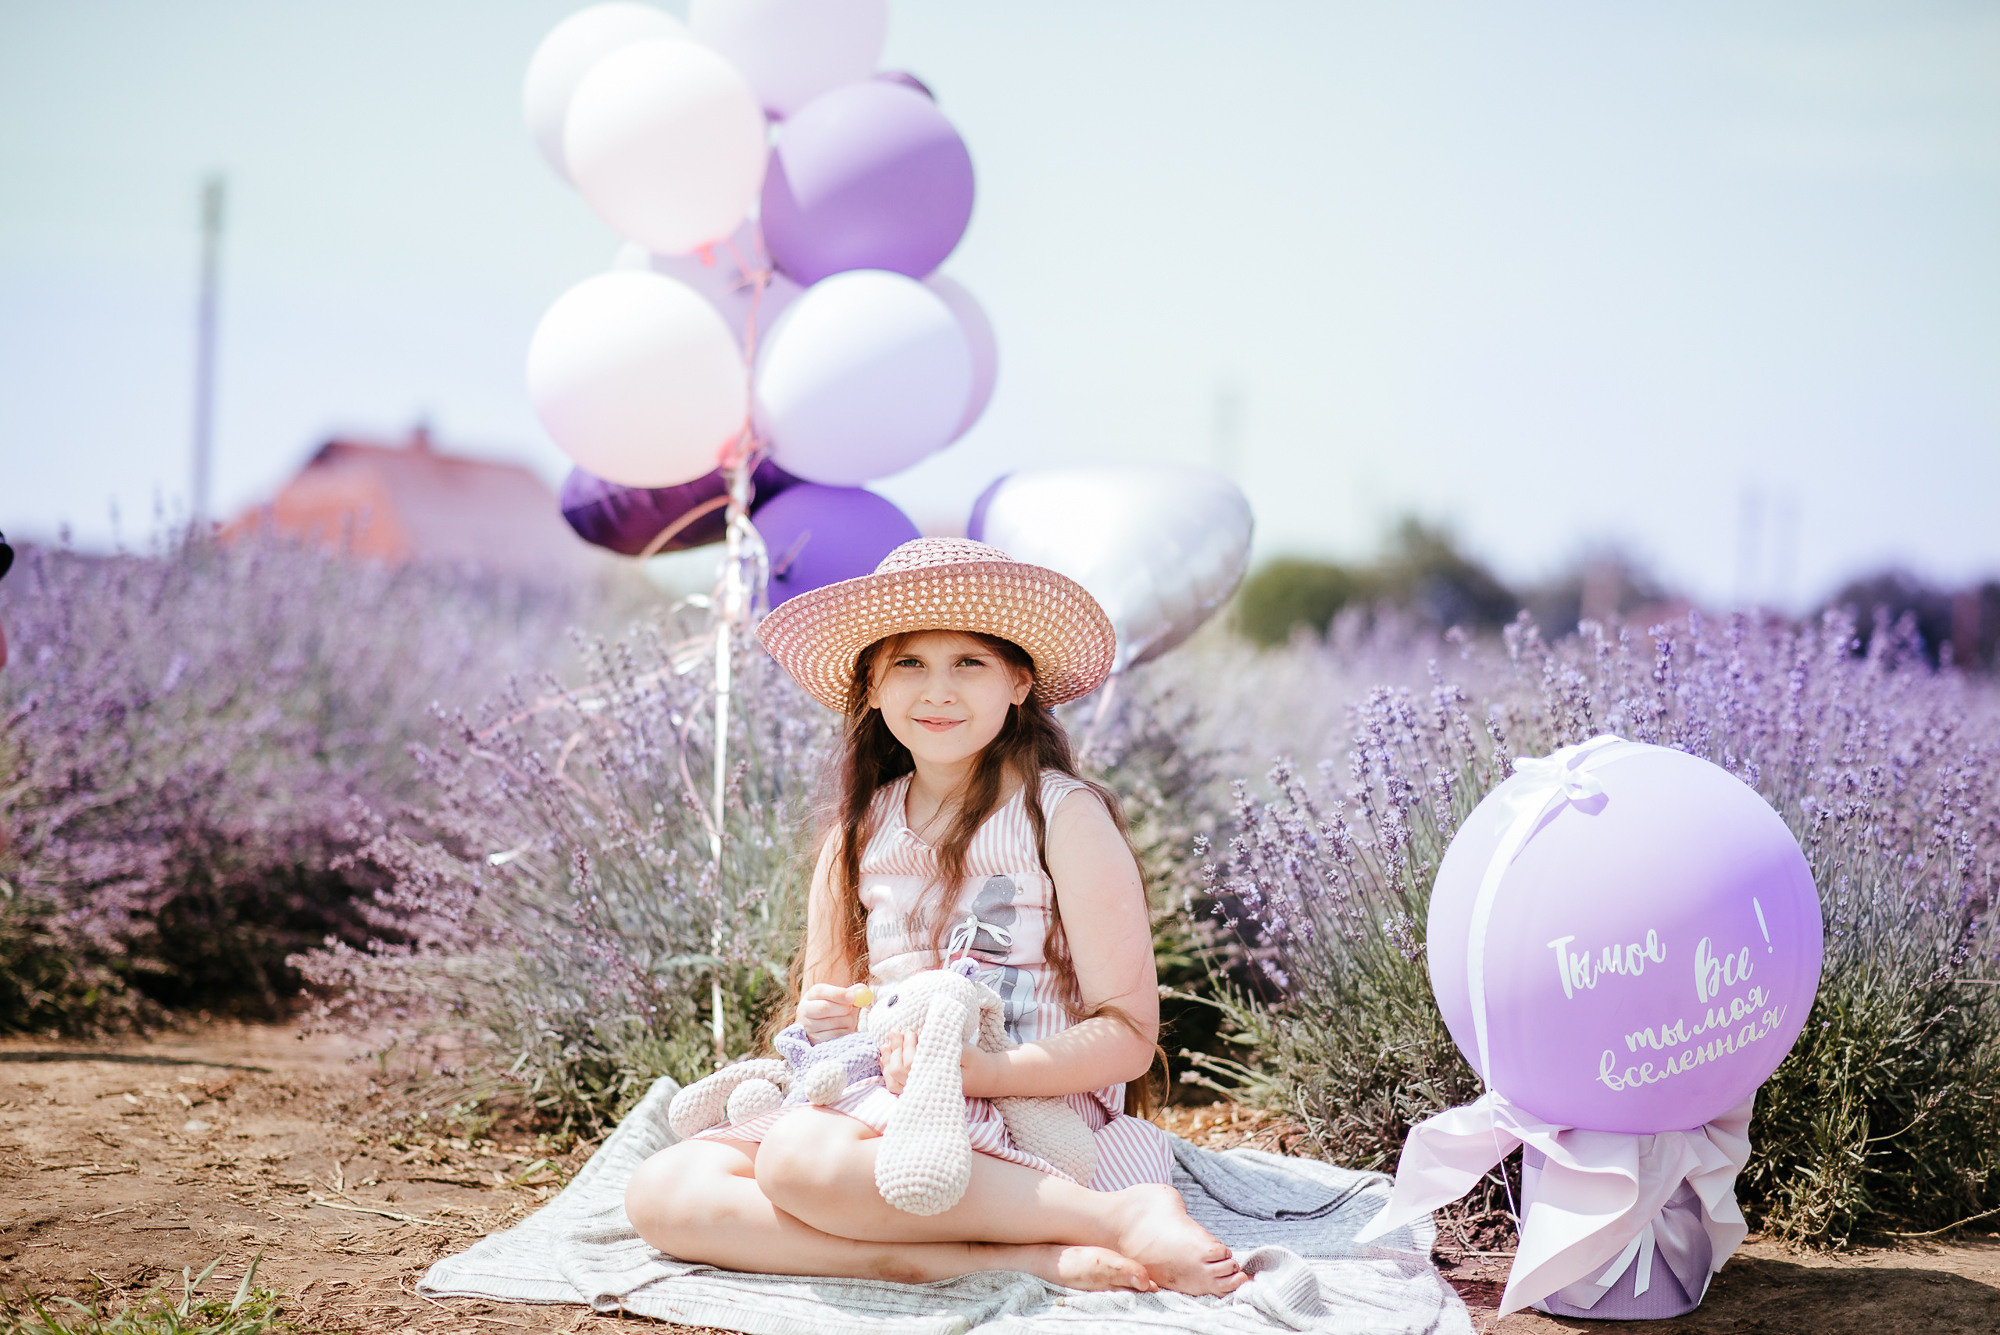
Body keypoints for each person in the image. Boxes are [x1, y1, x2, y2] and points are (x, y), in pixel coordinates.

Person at [625, 537, 1247, 1297]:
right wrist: (825, 1015)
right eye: (909, 663)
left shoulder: (1061, 816)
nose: (937, 690)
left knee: (797, 1161)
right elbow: (836, 1016)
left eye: (969, 663)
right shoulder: (857, 834)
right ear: (874, 688)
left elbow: (1128, 1033)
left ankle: (1112, 1214)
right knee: (662, 1192)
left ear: (1019, 680)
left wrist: (987, 1068)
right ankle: (999, 1259)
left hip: (1021, 1098)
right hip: (875, 1096)